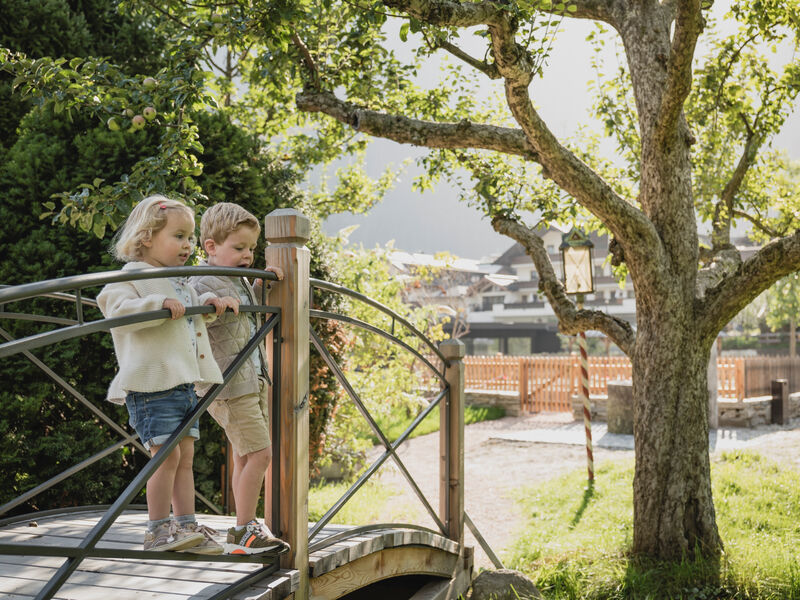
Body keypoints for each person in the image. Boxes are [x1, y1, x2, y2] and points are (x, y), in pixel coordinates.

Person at [97, 195, 238, 554]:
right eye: (179, 236)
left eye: (190, 238)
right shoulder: (130, 277)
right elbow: (112, 306)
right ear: (146, 238)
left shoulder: (179, 283)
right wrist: (154, 305)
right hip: (151, 387)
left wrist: (207, 309)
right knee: (166, 458)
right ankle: (157, 531)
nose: (188, 245)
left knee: (185, 458)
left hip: (182, 386)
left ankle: (186, 527)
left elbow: (188, 318)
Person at [191, 202, 289, 555]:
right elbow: (198, 312)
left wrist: (266, 287)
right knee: (261, 454)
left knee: (245, 456)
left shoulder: (238, 278)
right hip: (228, 384)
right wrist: (211, 303)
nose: (247, 255)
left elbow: (247, 316)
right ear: (211, 247)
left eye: (251, 248)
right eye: (239, 248)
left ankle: (243, 526)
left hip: (251, 377)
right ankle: (245, 529)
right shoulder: (204, 280)